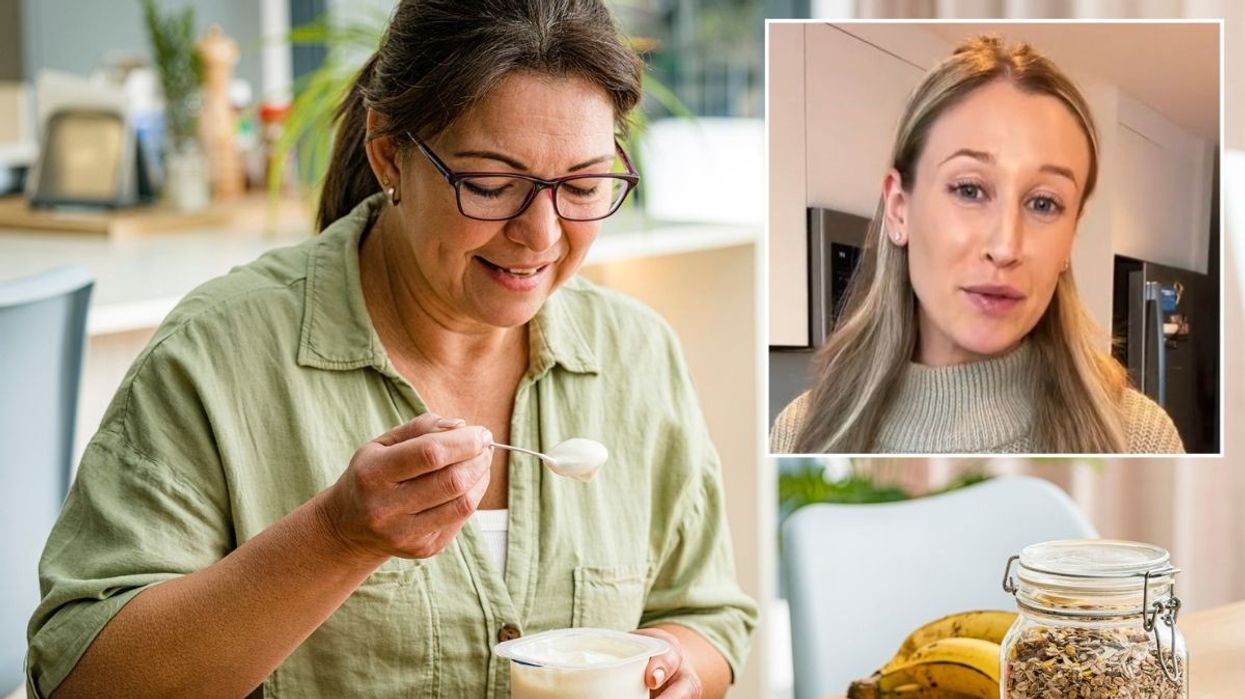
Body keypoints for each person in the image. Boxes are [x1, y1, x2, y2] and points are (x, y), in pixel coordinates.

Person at [26, 2, 756, 697]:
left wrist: (671, 664)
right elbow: (80, 679)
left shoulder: (636, 353)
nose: (541, 234)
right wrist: (333, 538)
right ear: (388, 156)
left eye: (584, 183)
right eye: (491, 184)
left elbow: (708, 616)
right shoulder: (219, 355)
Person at [771, 36, 1182, 455]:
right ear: (898, 209)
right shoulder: (802, 434)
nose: (1005, 247)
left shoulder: (1138, 437)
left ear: (1070, 238)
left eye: (1044, 203)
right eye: (969, 190)